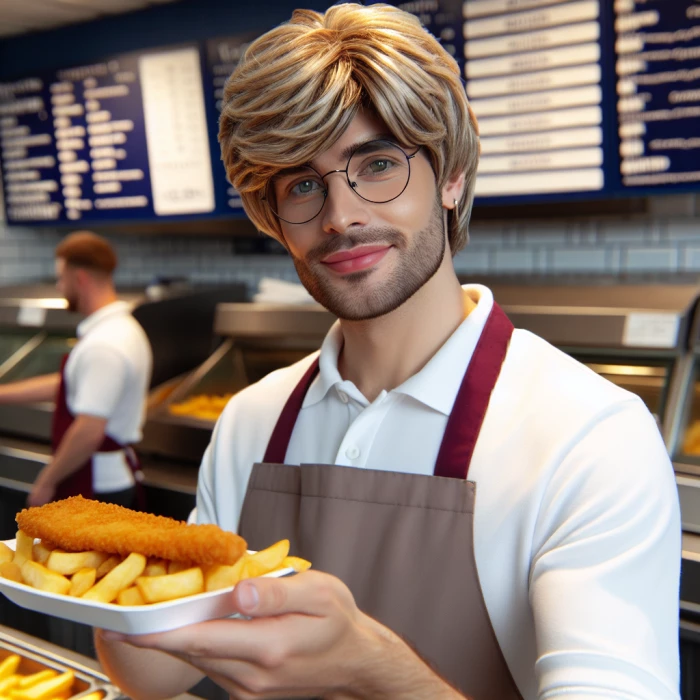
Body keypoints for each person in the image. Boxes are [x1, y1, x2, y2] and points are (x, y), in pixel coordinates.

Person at [95, 5, 681, 699]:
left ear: (452, 176)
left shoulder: (588, 437)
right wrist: (100, 593)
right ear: (273, 216)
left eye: (376, 164)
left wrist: (372, 669)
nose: (342, 216)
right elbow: (157, 674)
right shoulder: (252, 421)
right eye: (304, 184)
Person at [0, 231, 152, 508]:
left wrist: (46, 481)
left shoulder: (105, 344)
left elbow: (89, 431)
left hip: (97, 488)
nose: (59, 286)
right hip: (102, 479)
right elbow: (70, 384)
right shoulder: (122, 329)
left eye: (61, 277)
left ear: (79, 278)